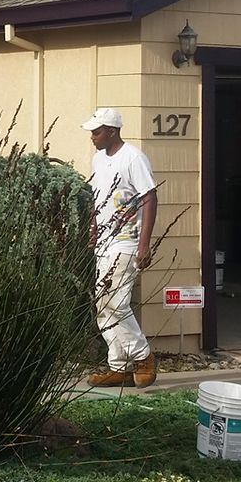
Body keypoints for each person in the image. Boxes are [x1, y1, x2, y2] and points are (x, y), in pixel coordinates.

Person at [82, 107, 159, 388]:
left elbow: (149, 198)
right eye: (92, 131)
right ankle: (119, 366)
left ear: (112, 131)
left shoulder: (133, 158)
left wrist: (144, 244)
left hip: (126, 242)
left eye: (97, 131)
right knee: (103, 304)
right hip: (103, 242)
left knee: (116, 302)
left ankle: (143, 357)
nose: (93, 136)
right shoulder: (98, 160)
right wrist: (92, 227)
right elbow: (97, 197)